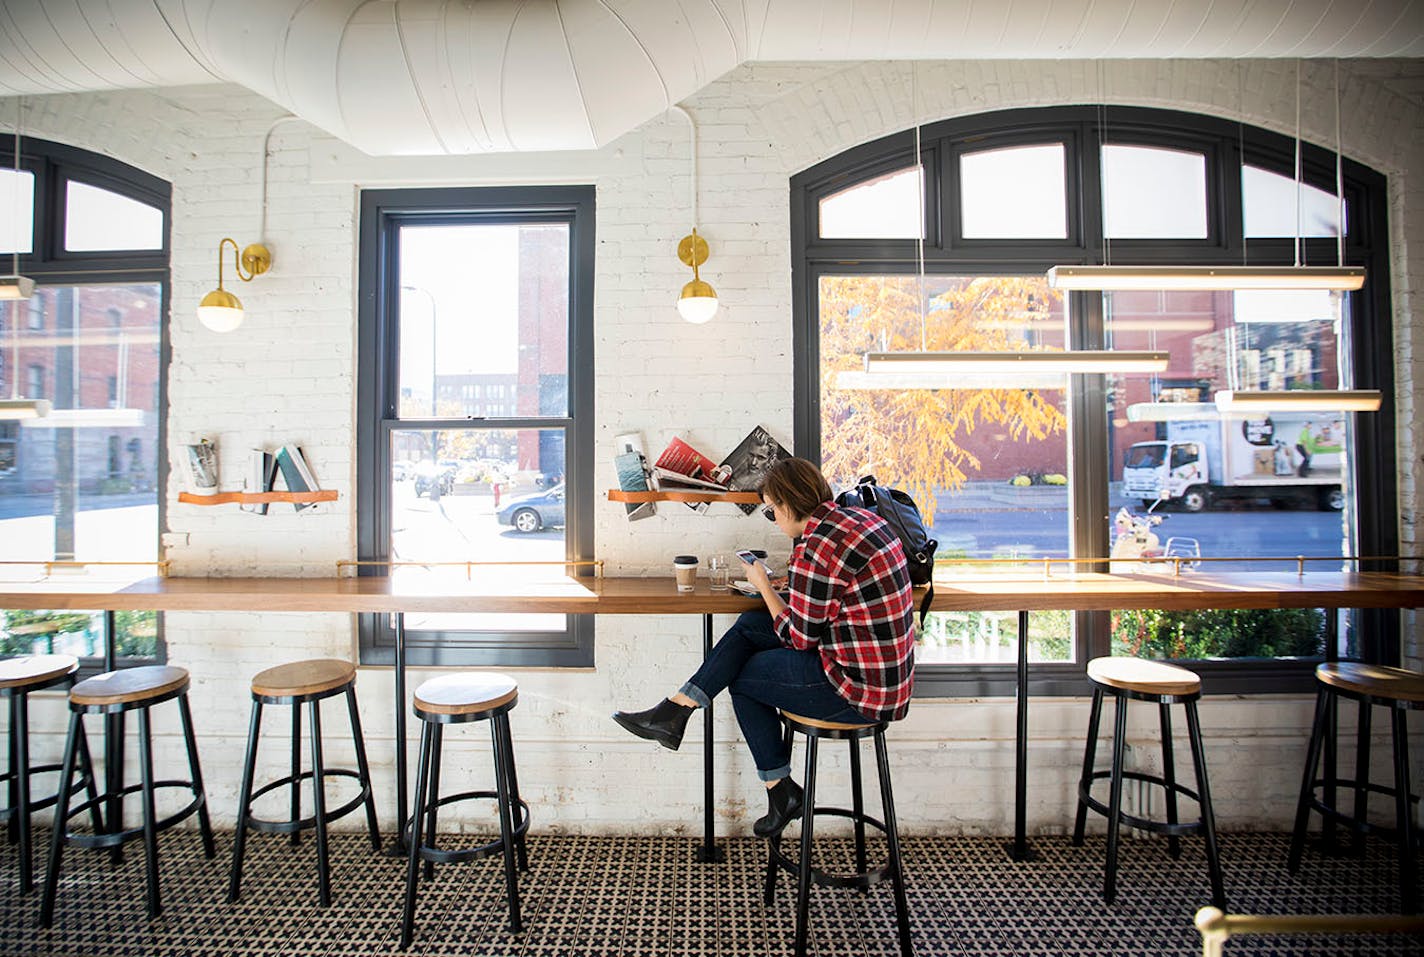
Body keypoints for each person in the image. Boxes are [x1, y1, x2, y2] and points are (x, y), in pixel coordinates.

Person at [611, 457, 916, 837]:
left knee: (740, 676)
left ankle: (779, 790)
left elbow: (798, 637)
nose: (773, 519)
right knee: (751, 625)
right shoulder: (860, 519)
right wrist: (792, 586)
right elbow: (832, 601)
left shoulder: (818, 546)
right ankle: (676, 710)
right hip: (887, 678)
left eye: (771, 512)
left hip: (857, 691)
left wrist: (764, 584)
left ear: (787, 504)